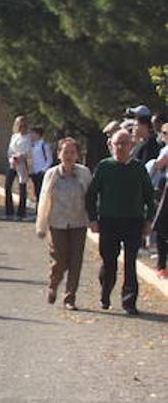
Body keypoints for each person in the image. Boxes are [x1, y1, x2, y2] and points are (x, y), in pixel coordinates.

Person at [85, 130, 155, 315]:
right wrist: (92, 219)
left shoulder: (139, 168)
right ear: (111, 146)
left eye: (124, 143)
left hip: (133, 221)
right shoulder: (104, 167)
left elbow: (150, 197)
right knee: (109, 261)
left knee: (131, 263)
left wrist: (149, 222)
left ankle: (129, 302)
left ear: (131, 146)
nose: (121, 147)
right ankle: (105, 294)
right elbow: (91, 195)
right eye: (117, 144)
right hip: (109, 221)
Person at [35, 138, 92, 310]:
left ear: (77, 155)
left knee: (76, 260)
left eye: (72, 152)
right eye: (65, 152)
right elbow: (44, 200)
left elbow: (91, 198)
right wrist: (41, 225)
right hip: (57, 222)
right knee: (59, 259)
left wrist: (93, 220)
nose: (69, 156)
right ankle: (53, 284)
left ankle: (70, 297)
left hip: (78, 221)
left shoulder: (84, 173)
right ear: (59, 154)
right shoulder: (52, 174)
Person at [6, 115, 32, 220]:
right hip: (13, 163)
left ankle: (21, 212)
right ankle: (9, 211)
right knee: (8, 186)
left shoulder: (28, 137)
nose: (21, 127)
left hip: (22, 163)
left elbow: (29, 150)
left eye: (23, 125)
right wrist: (12, 158)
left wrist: (21, 156)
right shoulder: (14, 136)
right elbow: (10, 150)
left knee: (22, 187)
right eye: (19, 125)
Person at [29, 126, 53, 208]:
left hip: (42, 172)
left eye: (33, 133)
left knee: (42, 193)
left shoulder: (44, 145)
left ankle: (41, 209)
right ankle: (37, 210)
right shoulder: (33, 145)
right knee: (36, 192)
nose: (31, 135)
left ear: (38, 134)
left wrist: (43, 170)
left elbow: (49, 160)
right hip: (34, 172)